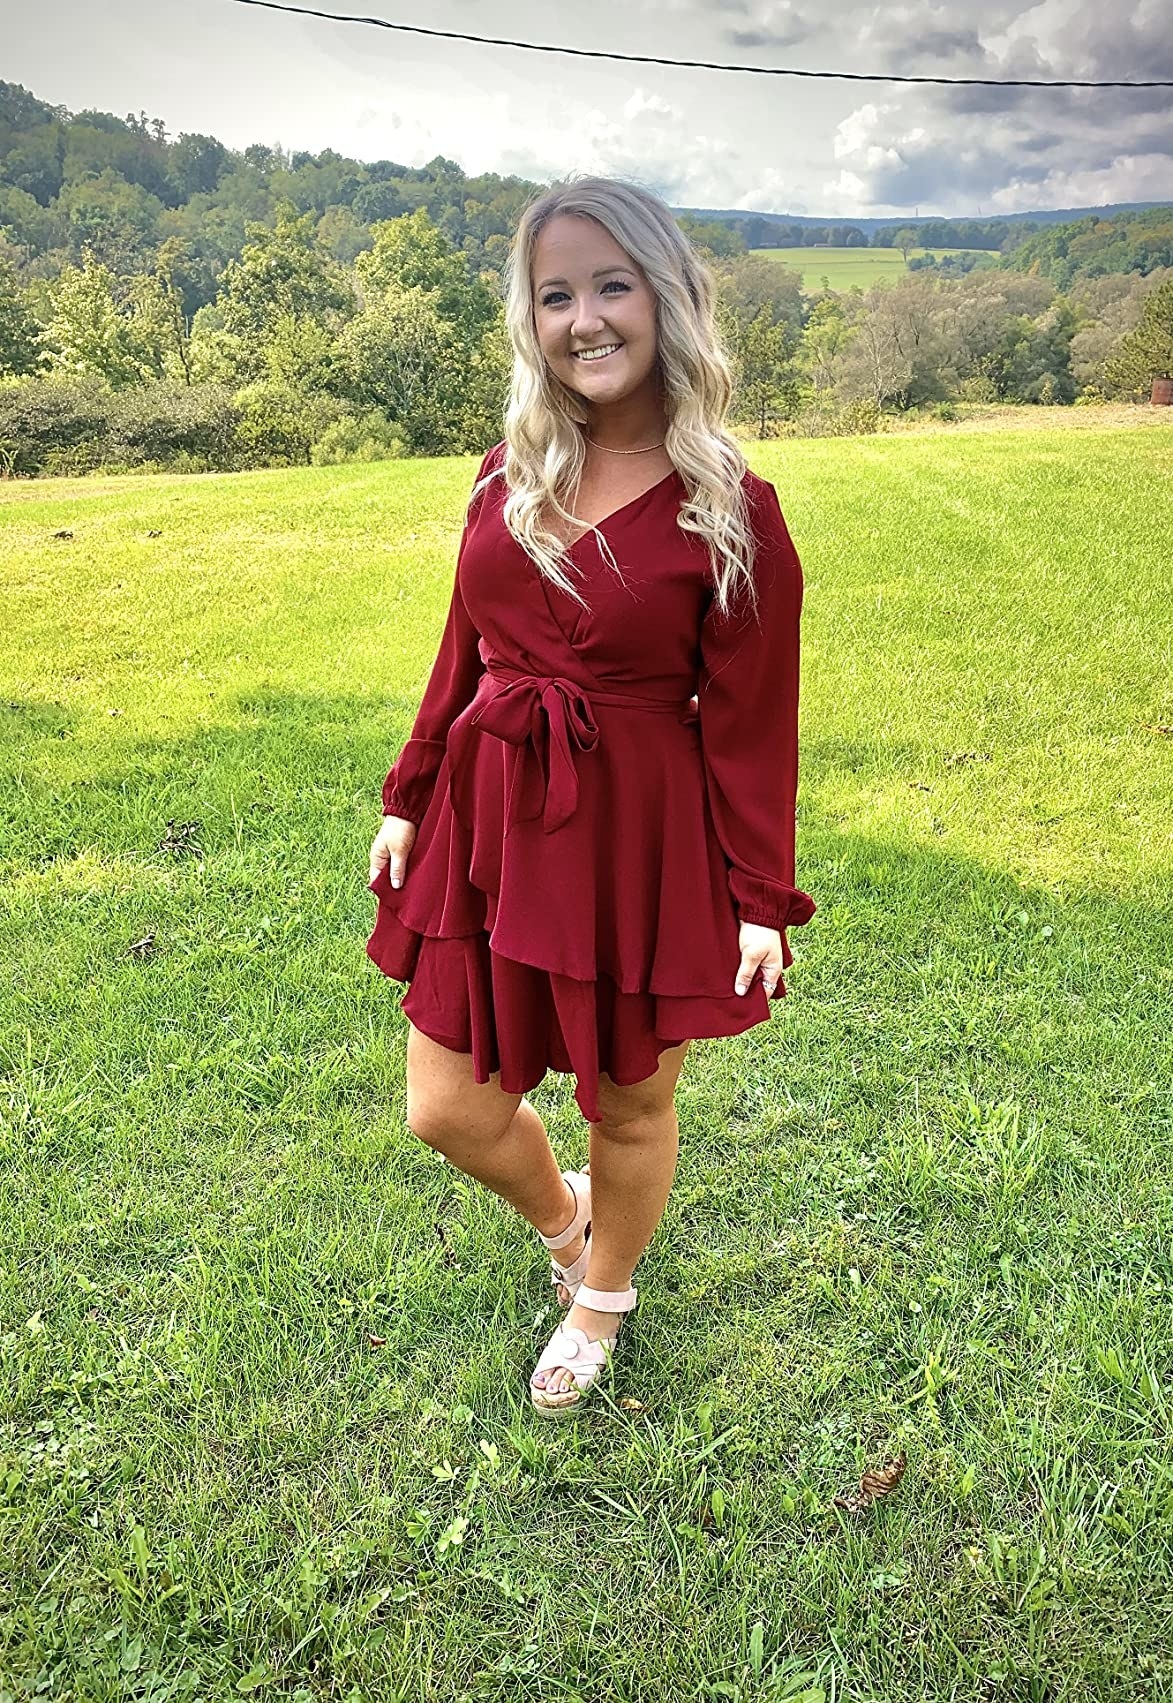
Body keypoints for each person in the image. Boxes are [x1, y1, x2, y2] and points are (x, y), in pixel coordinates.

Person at [366, 174, 816, 1416]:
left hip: (638, 832)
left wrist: (759, 897)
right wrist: (410, 791)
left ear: (666, 300)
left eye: (612, 285)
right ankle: (565, 1224)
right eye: (555, 294)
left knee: (631, 1093)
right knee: (447, 1103)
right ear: (531, 317)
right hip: (491, 812)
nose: (585, 319)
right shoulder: (502, 472)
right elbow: (463, 641)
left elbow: (751, 724)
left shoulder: (733, 510)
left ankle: (603, 1294)